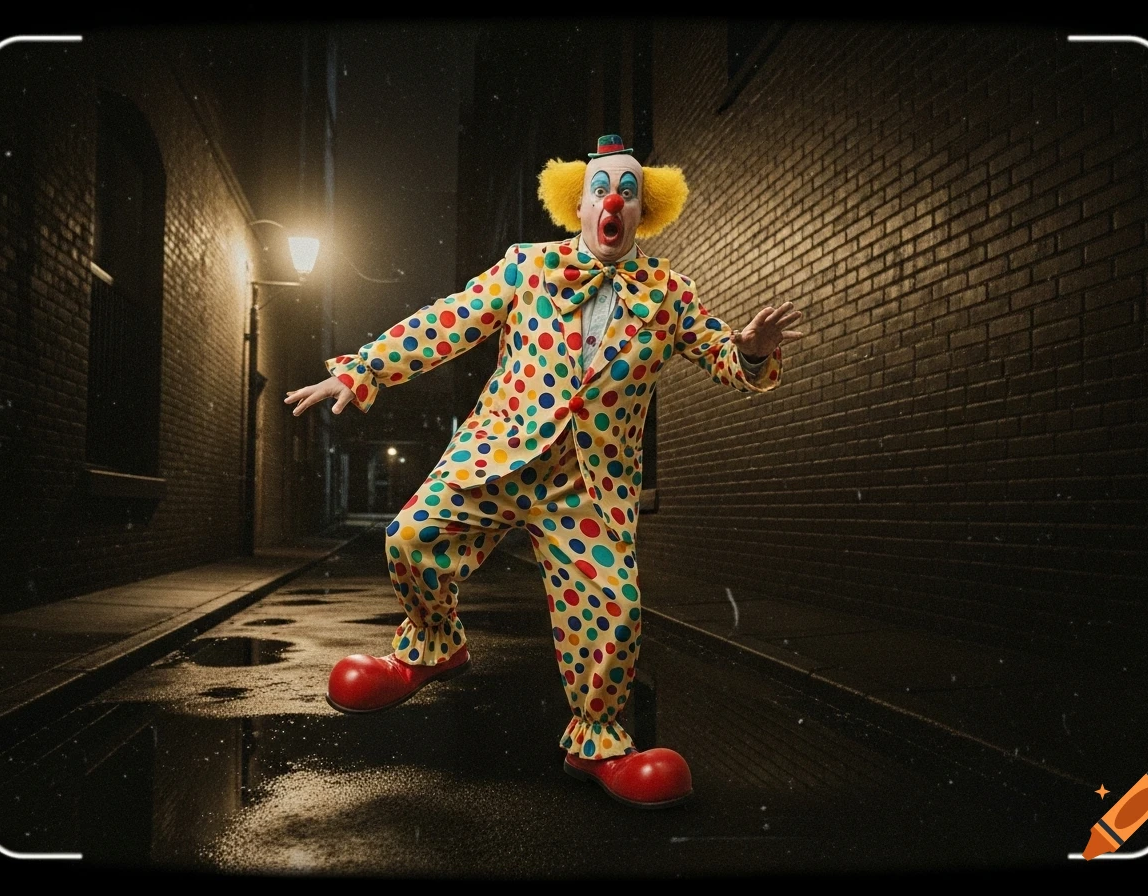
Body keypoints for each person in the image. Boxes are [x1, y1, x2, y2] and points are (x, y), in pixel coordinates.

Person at [284, 135, 804, 808]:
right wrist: (364, 370)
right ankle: (431, 646)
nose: (613, 201)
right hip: (499, 454)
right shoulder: (528, 267)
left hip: (590, 483)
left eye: (628, 193)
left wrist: (753, 350)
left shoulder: (669, 293)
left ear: (642, 211)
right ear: (578, 206)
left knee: (613, 613)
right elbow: (449, 321)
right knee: (411, 539)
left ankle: (599, 741)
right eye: (600, 190)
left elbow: (723, 356)